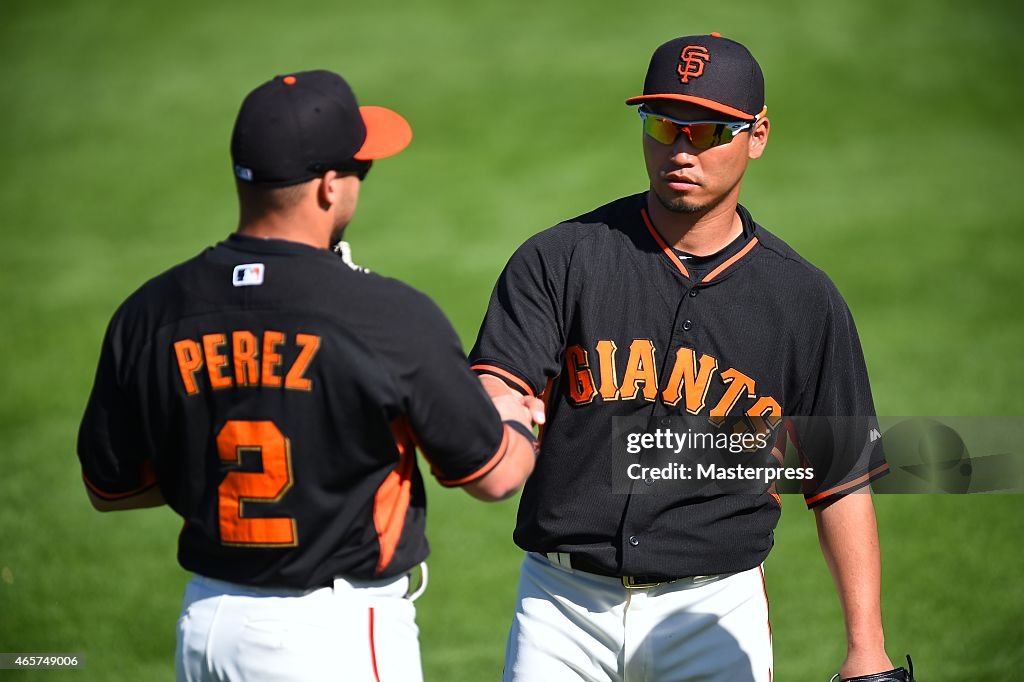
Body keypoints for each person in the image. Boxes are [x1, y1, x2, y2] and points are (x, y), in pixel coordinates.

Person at [76, 69, 543, 682]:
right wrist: (516, 421)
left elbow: (108, 488)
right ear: (328, 187)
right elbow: (493, 475)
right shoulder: (386, 316)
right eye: (360, 169)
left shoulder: (151, 312)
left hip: (208, 627)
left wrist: (216, 471)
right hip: (333, 635)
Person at [470, 34, 912, 681]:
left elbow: (839, 478)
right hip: (561, 605)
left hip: (713, 609)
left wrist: (865, 644)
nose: (680, 150)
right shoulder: (560, 260)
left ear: (757, 135)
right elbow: (499, 381)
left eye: (708, 132)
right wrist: (494, 409)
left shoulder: (801, 299)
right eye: (662, 126)